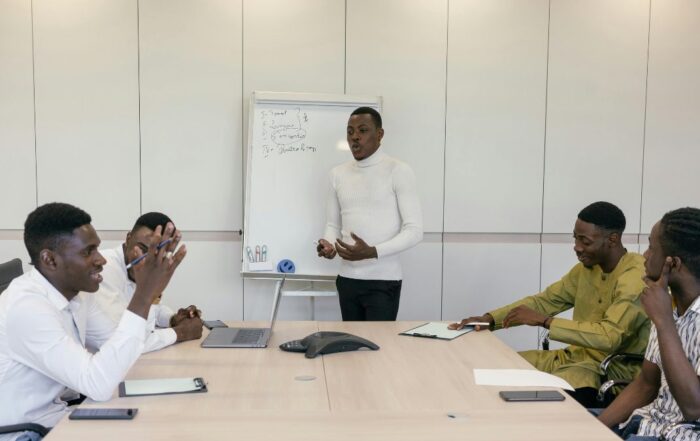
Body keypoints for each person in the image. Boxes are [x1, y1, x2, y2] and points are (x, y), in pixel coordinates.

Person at [0, 203, 186, 441]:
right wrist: (145, 295)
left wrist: (151, 295)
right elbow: (97, 383)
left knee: (160, 421)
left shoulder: (78, 294)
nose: (102, 260)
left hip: (58, 416)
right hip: (25, 433)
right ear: (50, 260)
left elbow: (118, 343)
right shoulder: (27, 309)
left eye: (97, 248)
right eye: (88, 252)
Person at [450, 201, 649, 407]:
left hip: (609, 371)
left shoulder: (636, 276)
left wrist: (546, 322)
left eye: (585, 241)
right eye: (575, 238)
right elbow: (545, 301)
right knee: (498, 367)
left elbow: (610, 337)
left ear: (612, 239)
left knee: (547, 396)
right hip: (573, 357)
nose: (577, 247)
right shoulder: (586, 269)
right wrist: (490, 320)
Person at [598, 207, 700, 441]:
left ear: (673, 264)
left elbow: (694, 407)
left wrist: (664, 322)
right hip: (644, 424)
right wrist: (592, 429)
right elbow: (646, 384)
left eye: (652, 247)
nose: (644, 255)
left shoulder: (663, 311)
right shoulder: (669, 304)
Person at [316, 107, 423, 321]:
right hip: (347, 280)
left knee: (377, 350)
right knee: (351, 351)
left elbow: (414, 231)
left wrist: (373, 251)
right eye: (350, 131)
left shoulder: (398, 170)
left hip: (383, 282)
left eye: (362, 130)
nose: (355, 137)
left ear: (379, 135)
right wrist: (327, 245)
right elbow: (333, 225)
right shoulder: (337, 174)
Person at [95, 212, 202, 352]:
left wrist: (173, 319)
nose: (146, 261)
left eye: (156, 255)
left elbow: (151, 309)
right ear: (128, 238)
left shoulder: (151, 268)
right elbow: (125, 342)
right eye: (142, 249)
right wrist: (181, 332)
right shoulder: (102, 270)